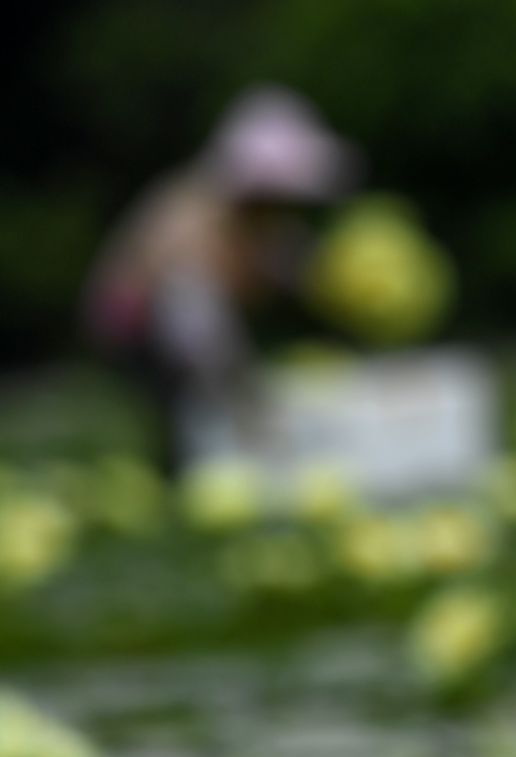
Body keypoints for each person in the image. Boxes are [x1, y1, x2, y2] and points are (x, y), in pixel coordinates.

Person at [84, 86, 356, 480]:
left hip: (188, 326)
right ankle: (191, 472)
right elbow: (195, 318)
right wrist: (241, 390)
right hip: (140, 328)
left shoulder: (260, 220)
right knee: (187, 411)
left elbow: (285, 259)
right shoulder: (193, 215)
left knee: (203, 403)